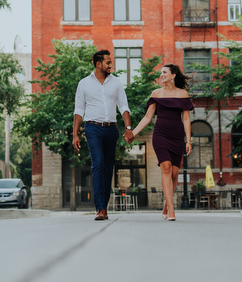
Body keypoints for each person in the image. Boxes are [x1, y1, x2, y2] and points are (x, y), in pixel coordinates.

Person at [73, 50, 134, 221]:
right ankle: (100, 208)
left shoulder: (116, 83)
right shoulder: (84, 84)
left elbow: (123, 105)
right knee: (98, 164)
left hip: (111, 130)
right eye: (108, 62)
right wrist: (75, 134)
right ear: (98, 63)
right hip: (92, 128)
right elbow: (79, 110)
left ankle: (104, 207)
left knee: (107, 168)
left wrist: (128, 128)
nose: (111, 65)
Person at [128, 64, 193, 221]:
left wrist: (188, 140)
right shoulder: (156, 93)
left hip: (177, 136)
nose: (161, 75)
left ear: (173, 75)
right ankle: (171, 208)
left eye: (164, 72)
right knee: (166, 168)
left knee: (175, 173)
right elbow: (147, 117)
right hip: (160, 135)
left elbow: (185, 118)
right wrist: (133, 132)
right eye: (161, 72)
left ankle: (166, 202)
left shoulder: (183, 94)